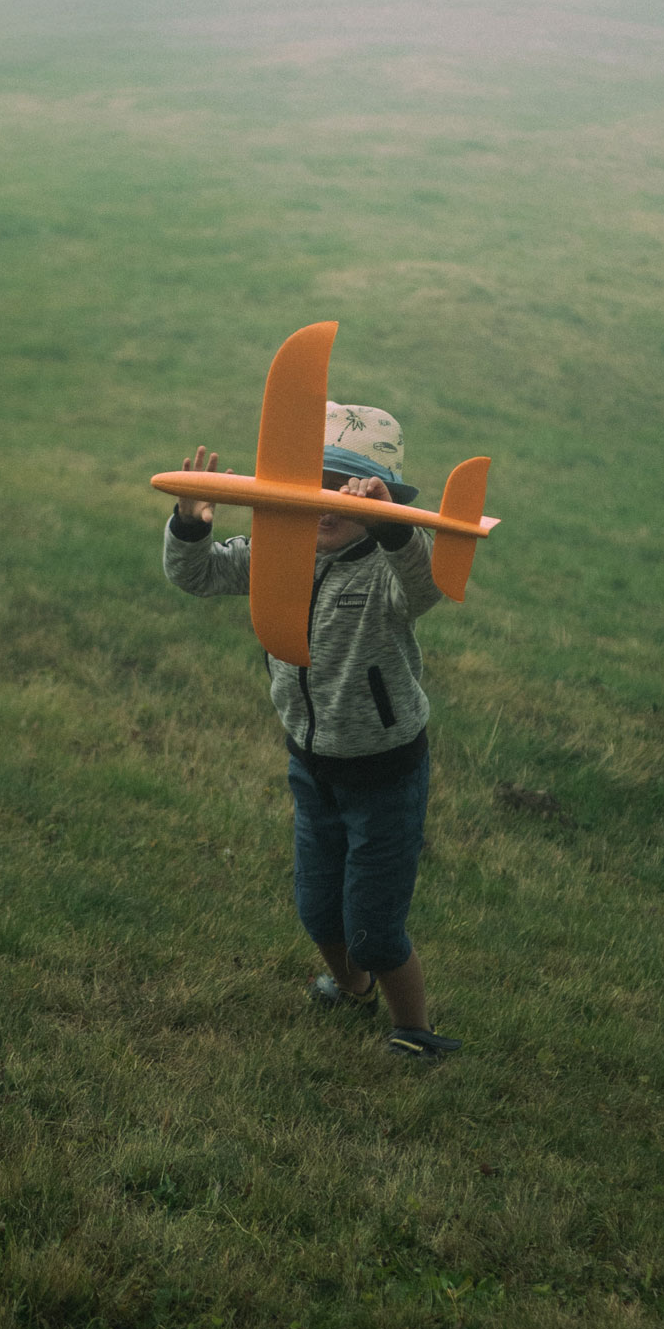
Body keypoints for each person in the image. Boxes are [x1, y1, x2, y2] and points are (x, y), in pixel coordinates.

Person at [163, 398, 462, 1058]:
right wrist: (189, 527)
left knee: (376, 925)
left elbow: (427, 586)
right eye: (316, 485)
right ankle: (351, 984)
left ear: (378, 504)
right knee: (318, 909)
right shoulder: (277, 553)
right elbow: (199, 575)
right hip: (311, 762)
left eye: (348, 491)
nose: (328, 504)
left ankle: (415, 1028)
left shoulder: (387, 572)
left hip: (385, 770)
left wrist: (392, 531)